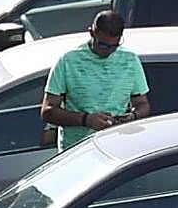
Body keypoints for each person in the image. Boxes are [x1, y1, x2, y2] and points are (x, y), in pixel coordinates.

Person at [41, 10, 152, 151]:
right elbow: (48, 111)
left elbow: (143, 104)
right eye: (103, 45)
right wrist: (86, 120)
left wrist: (132, 116)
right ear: (91, 32)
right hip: (76, 151)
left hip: (118, 149)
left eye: (115, 46)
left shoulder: (130, 60)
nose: (109, 51)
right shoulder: (68, 61)